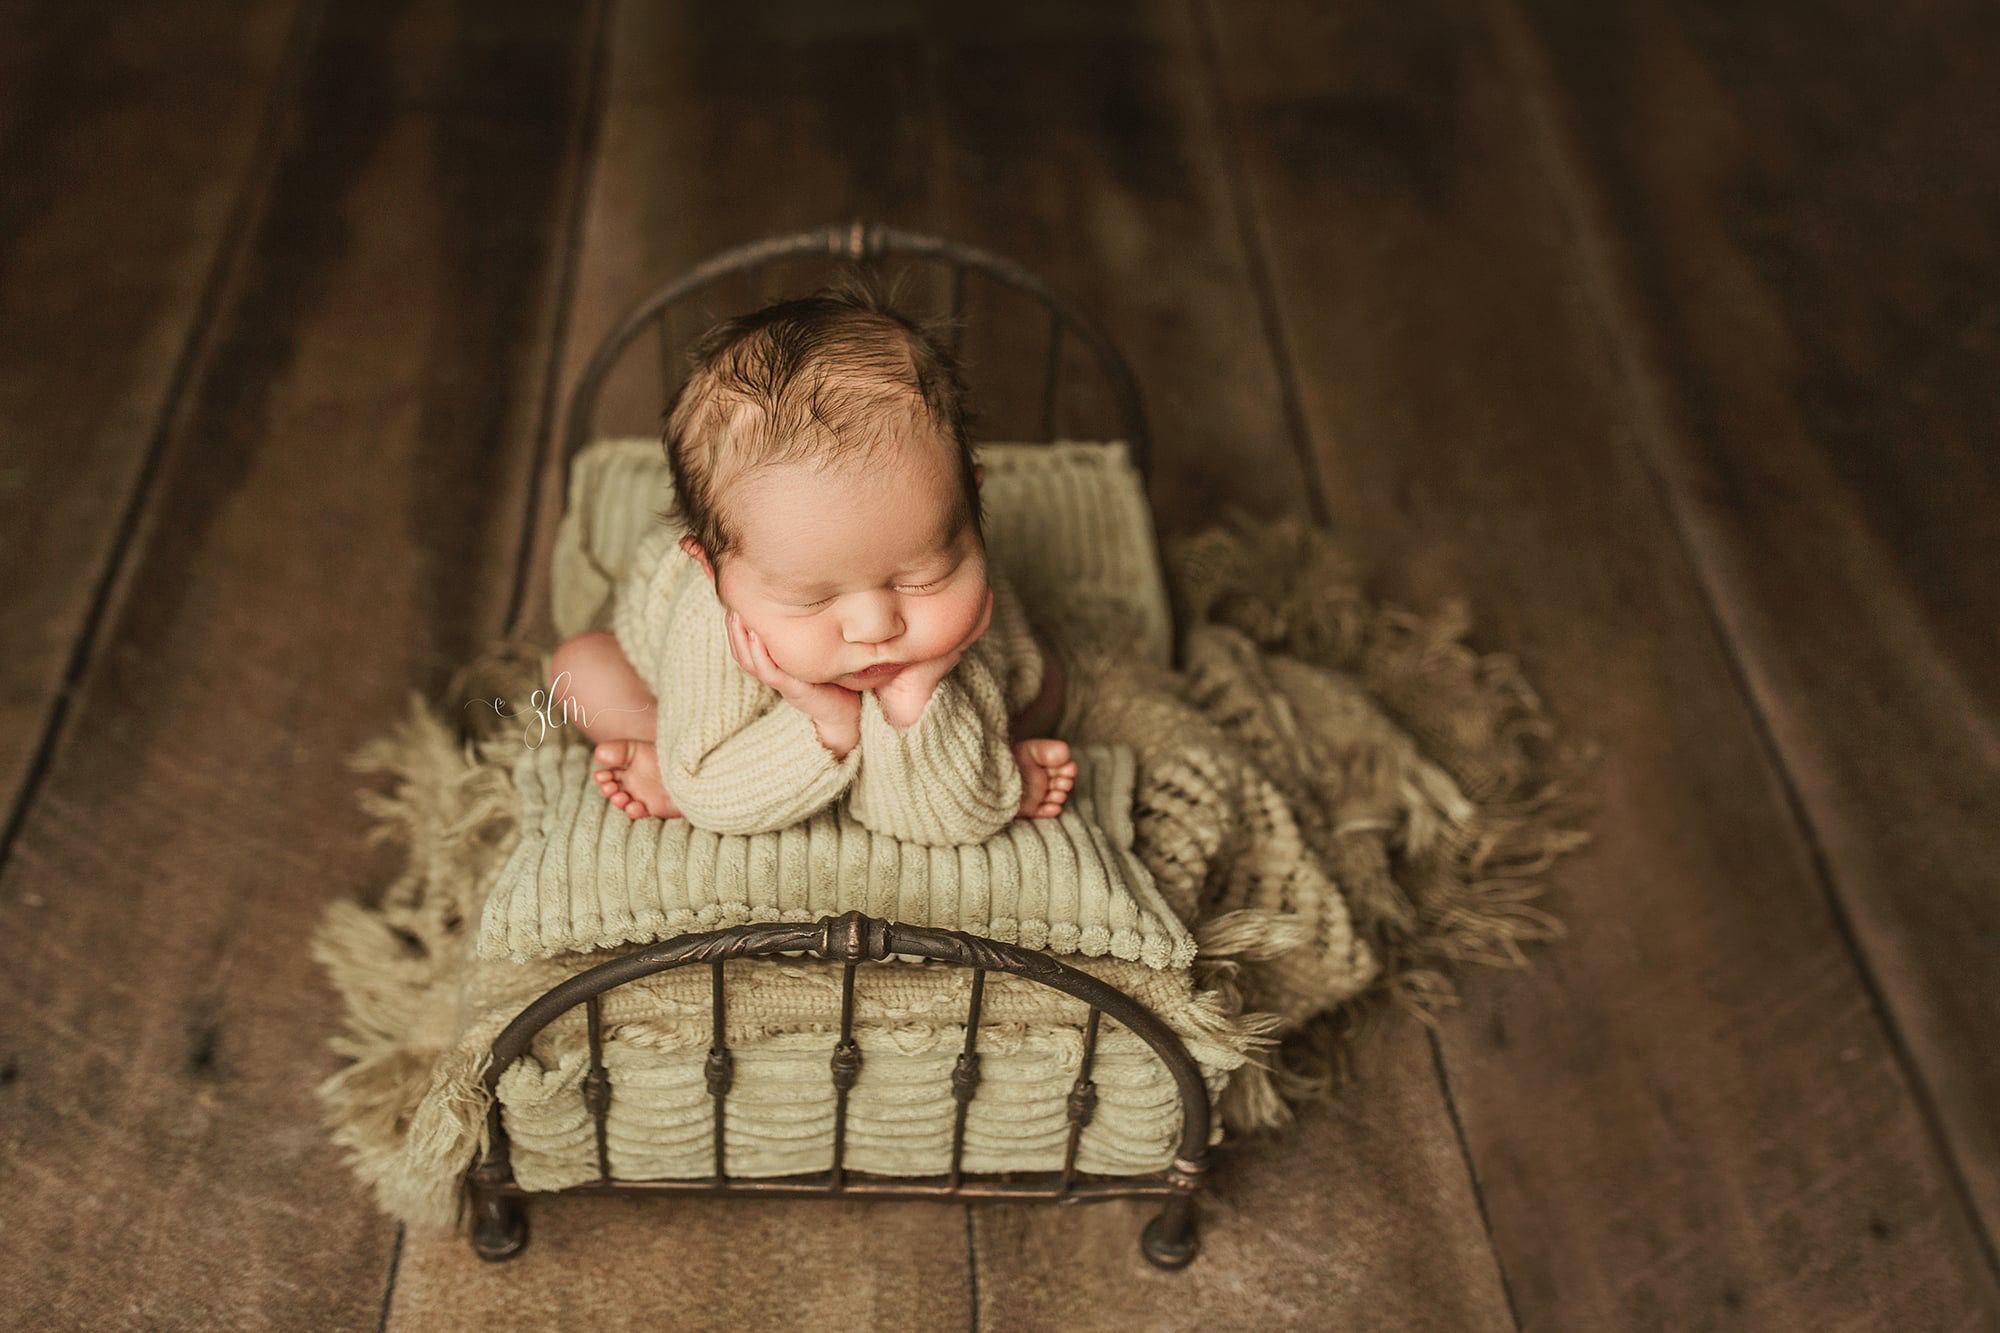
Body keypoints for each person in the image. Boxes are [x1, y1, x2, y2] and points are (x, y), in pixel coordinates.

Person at [547, 278, 1075, 847]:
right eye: (813, 598)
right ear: (715, 577)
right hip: (685, 687)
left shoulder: (958, 610)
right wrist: (826, 724)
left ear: (973, 509)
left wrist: (914, 695)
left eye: (919, 578)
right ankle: (664, 748)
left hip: (953, 674)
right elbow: (711, 796)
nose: (877, 628)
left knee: (1047, 685)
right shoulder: (711, 630)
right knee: (577, 671)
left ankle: (952, 750)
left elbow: (945, 822)